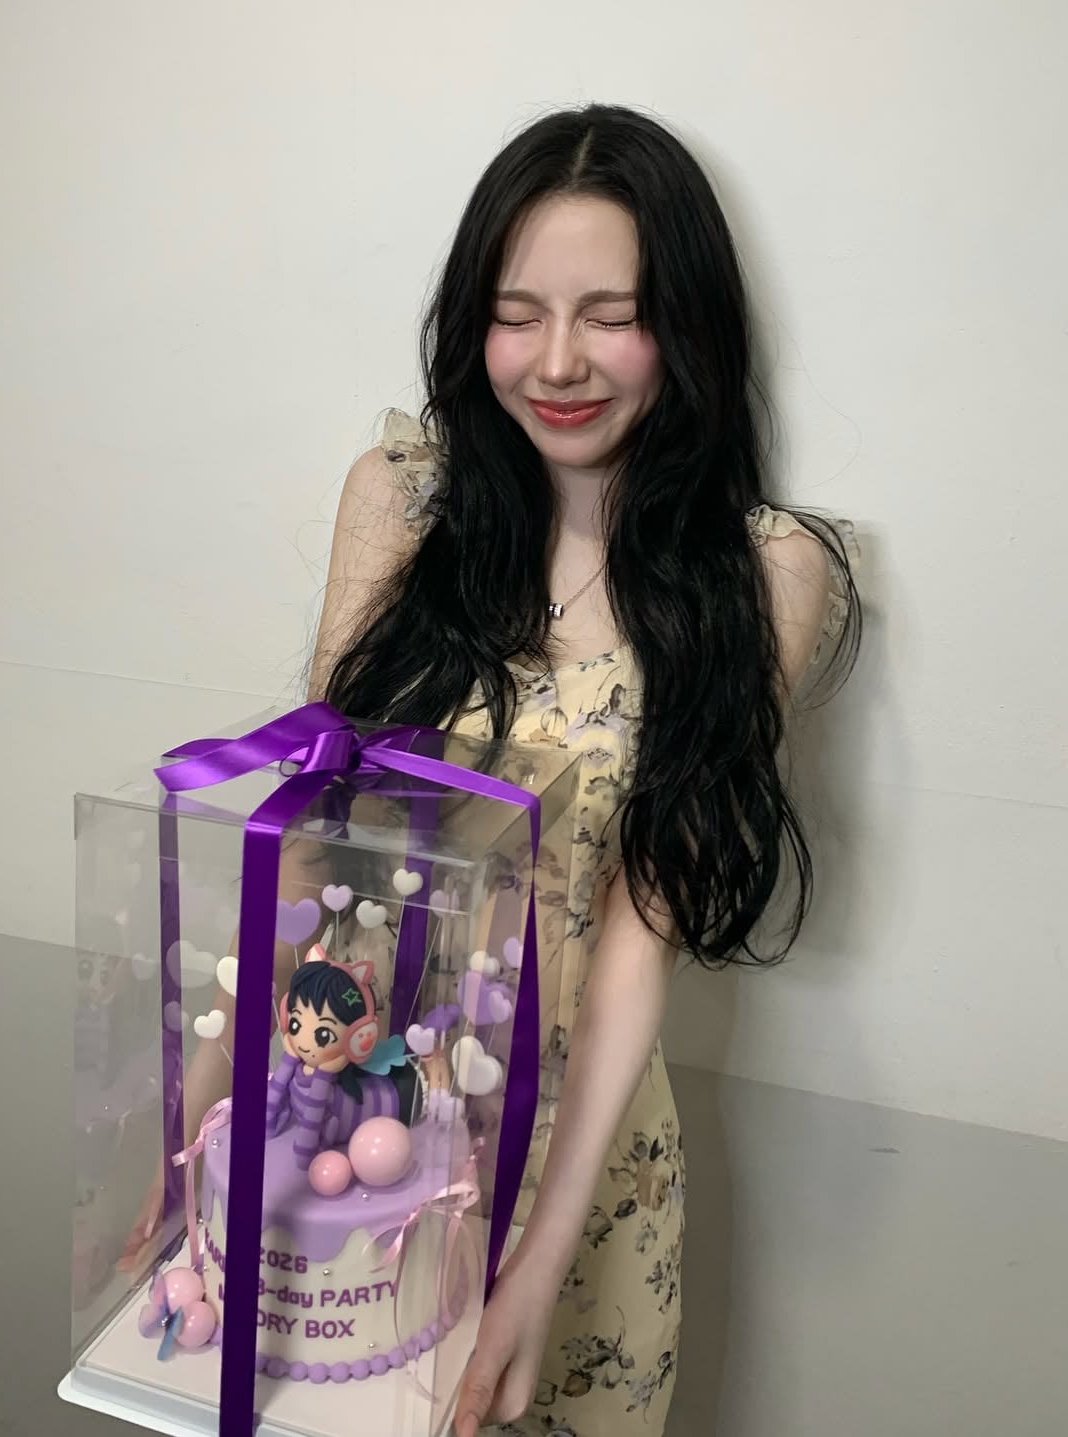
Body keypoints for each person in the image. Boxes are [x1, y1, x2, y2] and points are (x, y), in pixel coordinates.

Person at [307, 104, 860, 1437]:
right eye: (518, 315)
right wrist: (204, 1116)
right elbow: (314, 848)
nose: (559, 361)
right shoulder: (400, 499)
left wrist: (537, 1263)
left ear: (688, 325)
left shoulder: (762, 573)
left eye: (612, 315)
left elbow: (637, 937)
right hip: (353, 1111)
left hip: (581, 1165)